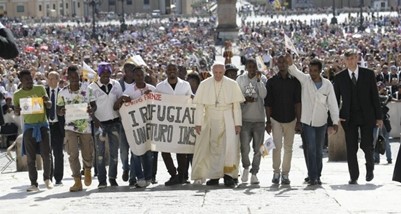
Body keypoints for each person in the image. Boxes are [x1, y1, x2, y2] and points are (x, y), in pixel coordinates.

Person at [286, 54, 339, 185]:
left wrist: (335, 122)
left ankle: (317, 175)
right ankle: (312, 176)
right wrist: (290, 62)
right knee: (310, 148)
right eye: (310, 70)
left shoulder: (327, 85)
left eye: (315, 71)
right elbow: (294, 71)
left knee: (318, 150)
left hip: (321, 122)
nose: (312, 73)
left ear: (320, 71)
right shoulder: (305, 80)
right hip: (307, 121)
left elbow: (333, 104)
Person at [333, 49, 383, 185]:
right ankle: (353, 176)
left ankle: (370, 168)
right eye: (348, 59)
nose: (351, 61)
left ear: (357, 58)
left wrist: (379, 117)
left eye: (353, 58)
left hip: (367, 116)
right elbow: (335, 100)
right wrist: (334, 117)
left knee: (367, 145)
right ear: (345, 60)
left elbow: (375, 97)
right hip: (348, 118)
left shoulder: (368, 74)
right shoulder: (339, 77)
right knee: (351, 147)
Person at [191, 62, 245, 187]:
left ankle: (229, 176)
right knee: (213, 148)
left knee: (229, 147)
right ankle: (214, 176)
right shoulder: (205, 84)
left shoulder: (232, 84)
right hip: (210, 117)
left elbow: (236, 106)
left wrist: (238, 123)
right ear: (212, 71)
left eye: (220, 72)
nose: (218, 75)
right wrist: (198, 123)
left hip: (228, 117)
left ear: (224, 71)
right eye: (215, 72)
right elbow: (200, 105)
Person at [13, 70, 54, 192]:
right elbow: (17, 112)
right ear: (21, 81)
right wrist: (16, 110)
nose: (30, 81)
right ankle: (33, 183)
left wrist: (47, 102)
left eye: (30, 78)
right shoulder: (17, 94)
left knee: (46, 154)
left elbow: (49, 104)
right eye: (26, 79)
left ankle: (47, 179)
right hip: (29, 127)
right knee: (30, 158)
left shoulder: (40, 89)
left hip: (42, 125)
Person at [265, 54, 301, 185]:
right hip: (276, 119)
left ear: (288, 64)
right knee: (277, 147)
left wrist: (299, 121)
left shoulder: (295, 81)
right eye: (279, 63)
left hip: (291, 119)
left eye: (284, 62)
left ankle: (285, 174)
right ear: (277, 64)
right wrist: (268, 121)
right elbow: (268, 103)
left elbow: (298, 102)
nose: (282, 65)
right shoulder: (271, 82)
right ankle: (276, 172)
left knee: (289, 148)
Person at [88, 62, 125, 189]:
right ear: (98, 74)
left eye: (107, 73)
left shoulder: (116, 85)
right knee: (100, 153)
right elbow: (89, 107)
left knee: (114, 153)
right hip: (100, 123)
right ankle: (102, 180)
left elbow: (121, 101)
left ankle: (112, 178)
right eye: (103, 73)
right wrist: (94, 119)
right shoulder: (92, 87)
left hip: (114, 122)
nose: (105, 76)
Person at [57, 65, 93, 192]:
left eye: (75, 76)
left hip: (85, 126)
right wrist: (62, 110)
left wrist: (91, 109)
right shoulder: (62, 93)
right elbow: (58, 111)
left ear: (79, 76)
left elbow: (93, 105)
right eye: (71, 76)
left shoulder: (87, 89)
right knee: (73, 154)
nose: (73, 78)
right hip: (70, 127)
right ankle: (77, 181)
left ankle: (87, 169)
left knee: (87, 152)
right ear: (67, 77)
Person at [155, 63, 192, 186]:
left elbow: (190, 100)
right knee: (165, 150)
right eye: (169, 69)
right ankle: (173, 174)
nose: (171, 71)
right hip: (165, 124)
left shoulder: (185, 85)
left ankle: (181, 176)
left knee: (182, 151)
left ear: (177, 71)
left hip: (182, 123)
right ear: (166, 72)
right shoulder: (160, 86)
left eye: (173, 69)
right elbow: (155, 102)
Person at [121, 66, 155, 188]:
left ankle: (148, 177)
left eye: (141, 75)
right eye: (137, 75)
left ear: (144, 75)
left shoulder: (152, 89)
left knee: (148, 153)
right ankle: (139, 177)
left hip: (148, 126)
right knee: (136, 153)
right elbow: (121, 105)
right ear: (133, 77)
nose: (139, 77)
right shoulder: (129, 91)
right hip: (135, 128)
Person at [236, 58, 267, 184]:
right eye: (250, 67)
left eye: (254, 67)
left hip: (259, 119)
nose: (252, 69)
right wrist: (244, 99)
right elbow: (236, 96)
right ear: (246, 67)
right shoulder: (240, 79)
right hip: (245, 119)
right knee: (244, 147)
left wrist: (259, 80)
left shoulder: (262, 78)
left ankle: (254, 172)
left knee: (259, 148)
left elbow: (264, 95)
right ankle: (245, 167)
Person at [117, 61, 136, 184]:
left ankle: (133, 175)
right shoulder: (118, 85)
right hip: (122, 122)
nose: (131, 73)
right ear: (125, 72)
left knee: (135, 149)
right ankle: (125, 168)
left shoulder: (138, 84)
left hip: (135, 121)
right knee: (124, 149)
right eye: (129, 70)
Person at [46, 71, 65, 185]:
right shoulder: (43, 92)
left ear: (58, 80)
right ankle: (49, 176)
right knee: (47, 152)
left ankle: (58, 177)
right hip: (47, 125)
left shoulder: (63, 93)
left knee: (58, 152)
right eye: (49, 78)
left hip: (58, 125)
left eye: (53, 78)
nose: (51, 81)